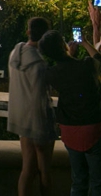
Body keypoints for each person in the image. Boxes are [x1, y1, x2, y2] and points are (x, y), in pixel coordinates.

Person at [40, 30, 101, 196]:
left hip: (69, 130)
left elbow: (65, 69)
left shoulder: (51, 74)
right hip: (92, 128)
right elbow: (99, 60)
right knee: (97, 181)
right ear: (63, 46)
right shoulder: (86, 65)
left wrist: (67, 55)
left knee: (78, 179)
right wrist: (85, 43)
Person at [8, 17, 57, 196]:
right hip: (39, 122)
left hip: (23, 121)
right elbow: (40, 97)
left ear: (28, 32)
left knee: (27, 170)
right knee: (45, 172)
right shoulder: (39, 64)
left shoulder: (16, 53)